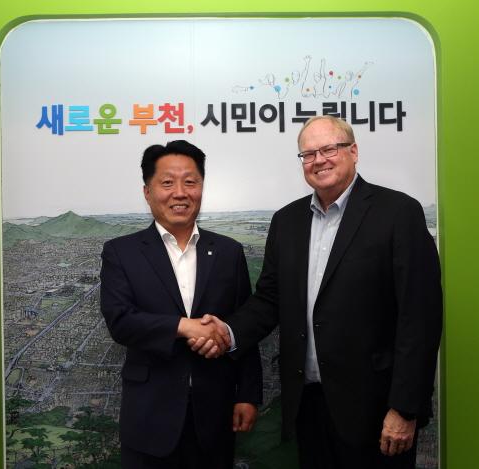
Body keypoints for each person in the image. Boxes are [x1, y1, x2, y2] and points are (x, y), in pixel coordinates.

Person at [191, 116, 443, 469]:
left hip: (376, 409)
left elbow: (420, 318)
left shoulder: (398, 213)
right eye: (308, 154)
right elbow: (270, 299)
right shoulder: (287, 221)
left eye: (329, 149)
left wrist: (404, 408)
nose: (318, 160)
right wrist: (227, 332)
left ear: (353, 151)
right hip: (308, 404)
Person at [100, 140, 262, 469]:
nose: (180, 193)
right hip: (149, 415)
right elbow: (121, 321)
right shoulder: (121, 252)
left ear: (201, 187)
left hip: (215, 412)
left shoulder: (229, 251)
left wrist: (247, 394)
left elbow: (243, 325)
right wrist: (183, 326)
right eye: (167, 183)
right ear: (147, 192)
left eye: (190, 182)